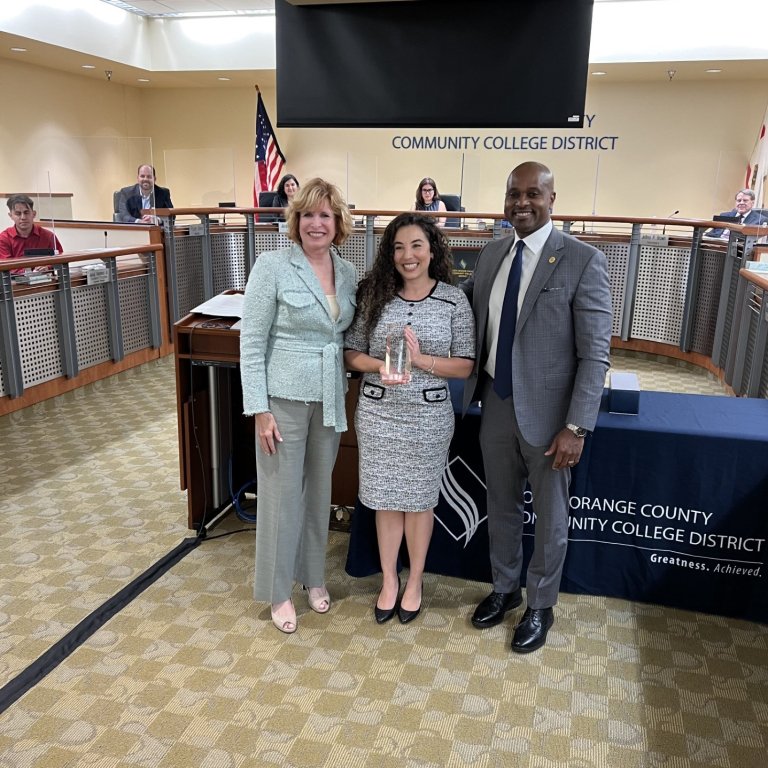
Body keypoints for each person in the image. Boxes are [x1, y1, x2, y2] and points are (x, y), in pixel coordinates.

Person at [461, 161, 612, 653]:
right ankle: (505, 589)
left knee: (549, 516)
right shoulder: (492, 254)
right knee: (500, 505)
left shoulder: (582, 259)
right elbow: (467, 308)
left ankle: (541, 604)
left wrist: (577, 426)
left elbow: (595, 354)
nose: (521, 203)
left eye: (533, 194)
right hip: (496, 403)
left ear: (552, 199)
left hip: (552, 418)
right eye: (513, 195)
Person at [239, 177, 357, 635]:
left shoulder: (346, 271)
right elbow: (251, 342)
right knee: (281, 496)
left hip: (329, 394)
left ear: (338, 222)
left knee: (318, 495)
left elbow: (344, 334)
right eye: (308, 214)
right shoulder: (272, 265)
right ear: (295, 220)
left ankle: (313, 577)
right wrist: (259, 409)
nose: (316, 223)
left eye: (325, 215)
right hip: (282, 398)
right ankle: (278, 590)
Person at [344, 213, 475, 624]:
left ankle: (414, 580)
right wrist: (381, 364)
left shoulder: (454, 300)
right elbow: (350, 352)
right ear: (390, 253)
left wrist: (421, 360)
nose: (408, 255)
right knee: (385, 501)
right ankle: (388, 579)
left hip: (429, 415)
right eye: (399, 247)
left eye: (416, 245)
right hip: (380, 412)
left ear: (432, 249)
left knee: (420, 502)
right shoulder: (374, 295)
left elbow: (466, 365)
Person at [0, 194, 63, 275]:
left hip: (46, 283)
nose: (23, 217)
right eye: (18, 213)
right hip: (15, 285)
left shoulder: (48, 236)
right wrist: (28, 272)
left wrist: (48, 267)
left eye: (26, 212)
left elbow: (60, 260)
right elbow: (5, 267)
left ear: (33, 214)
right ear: (11, 216)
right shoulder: (3, 239)